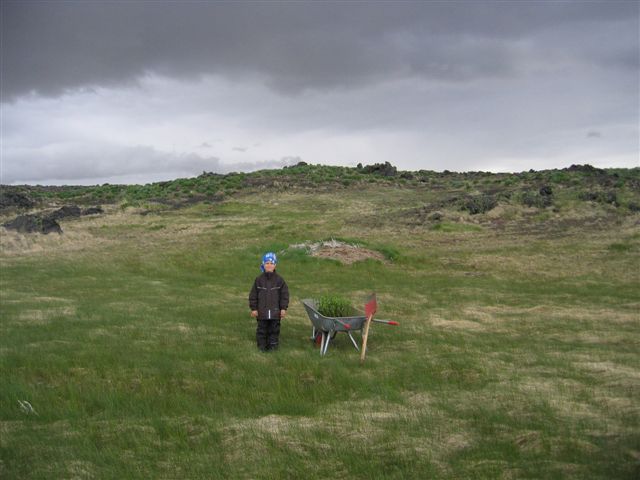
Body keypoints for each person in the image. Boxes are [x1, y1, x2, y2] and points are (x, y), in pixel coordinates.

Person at [249, 252, 289, 351]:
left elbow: (284, 296)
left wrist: (283, 308)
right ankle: (261, 347)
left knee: (274, 330)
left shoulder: (279, 280)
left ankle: (273, 347)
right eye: (267, 263)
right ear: (263, 265)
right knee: (262, 330)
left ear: (275, 265)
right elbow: (253, 295)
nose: (269, 265)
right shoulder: (258, 280)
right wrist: (254, 309)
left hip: (275, 313)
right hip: (262, 312)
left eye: (271, 263)